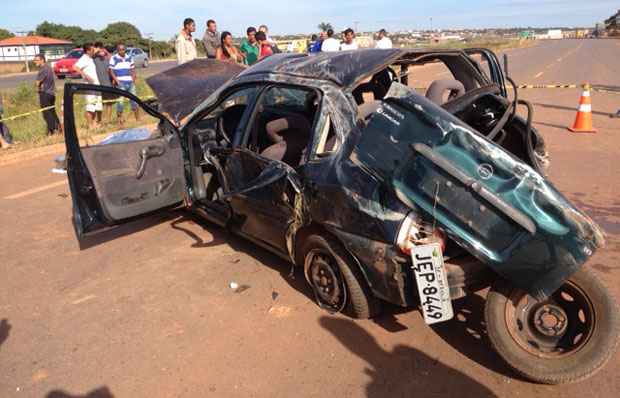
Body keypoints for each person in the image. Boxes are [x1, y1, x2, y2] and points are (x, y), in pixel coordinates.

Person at [109, 43, 139, 125]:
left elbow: (132, 69)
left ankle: (138, 119)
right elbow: (111, 71)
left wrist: (134, 78)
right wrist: (116, 80)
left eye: (123, 49)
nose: (121, 51)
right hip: (120, 83)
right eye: (119, 50)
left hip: (130, 82)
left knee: (134, 100)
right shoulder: (114, 58)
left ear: (125, 49)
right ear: (117, 50)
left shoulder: (129, 57)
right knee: (120, 102)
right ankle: (120, 121)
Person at [74, 43, 102, 129]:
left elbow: (98, 50)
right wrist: (85, 76)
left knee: (96, 106)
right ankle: (90, 125)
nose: (94, 51)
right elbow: (75, 67)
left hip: (96, 85)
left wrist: (98, 50)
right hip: (89, 87)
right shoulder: (84, 58)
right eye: (92, 50)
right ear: (88, 51)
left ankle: (94, 124)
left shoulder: (90, 58)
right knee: (90, 106)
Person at [33, 53, 61, 135]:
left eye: (36, 60)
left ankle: (52, 131)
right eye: (34, 60)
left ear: (42, 60)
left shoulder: (43, 69)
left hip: (45, 93)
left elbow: (37, 83)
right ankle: (59, 128)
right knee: (52, 112)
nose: (35, 62)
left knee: (46, 114)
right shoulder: (48, 68)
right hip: (51, 93)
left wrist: (36, 87)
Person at [93, 42, 114, 123]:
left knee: (109, 103)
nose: (100, 50)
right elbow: (91, 55)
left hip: (108, 84)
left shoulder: (107, 57)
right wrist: (97, 51)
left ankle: (108, 120)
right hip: (98, 85)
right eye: (98, 48)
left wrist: (105, 51)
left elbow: (112, 58)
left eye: (101, 47)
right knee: (99, 104)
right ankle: (99, 120)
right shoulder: (93, 58)